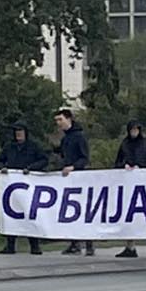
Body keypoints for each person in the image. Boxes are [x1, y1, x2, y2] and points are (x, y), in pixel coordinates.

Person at [0, 123, 48, 255]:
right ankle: (10, 245)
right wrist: (2, 168)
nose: (18, 134)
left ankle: (34, 245)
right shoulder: (9, 147)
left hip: (29, 185)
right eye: (16, 132)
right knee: (11, 214)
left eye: (21, 132)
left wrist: (31, 168)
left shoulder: (33, 146)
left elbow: (43, 160)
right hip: (13, 186)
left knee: (30, 214)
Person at [114, 120, 146, 260]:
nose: (134, 132)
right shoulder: (125, 144)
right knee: (129, 215)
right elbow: (117, 162)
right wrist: (124, 166)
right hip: (128, 184)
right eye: (132, 129)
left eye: (136, 129)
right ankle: (130, 246)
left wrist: (141, 167)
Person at [53, 108, 94, 257]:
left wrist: (73, 167)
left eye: (60, 120)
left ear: (69, 119)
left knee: (85, 211)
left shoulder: (79, 136)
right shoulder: (65, 139)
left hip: (80, 179)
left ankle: (89, 244)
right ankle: (74, 243)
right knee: (71, 211)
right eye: (56, 121)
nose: (58, 123)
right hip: (68, 180)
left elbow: (84, 158)